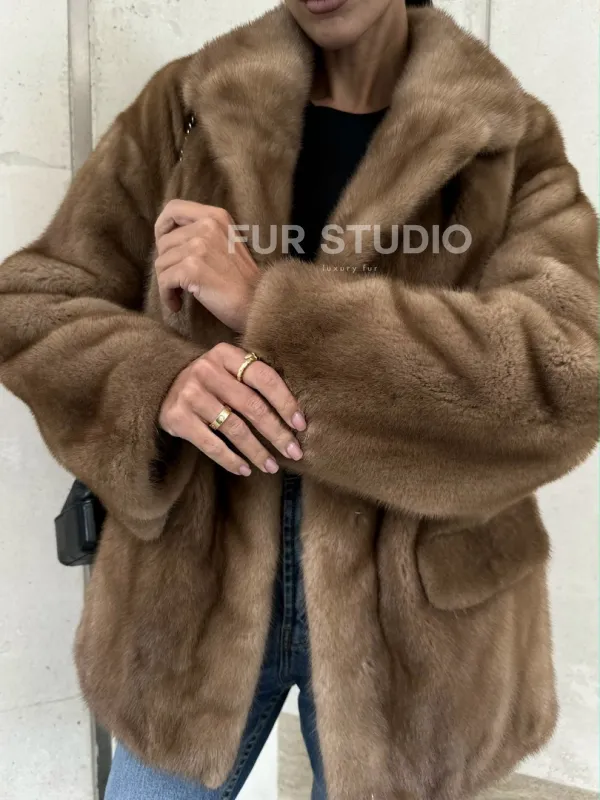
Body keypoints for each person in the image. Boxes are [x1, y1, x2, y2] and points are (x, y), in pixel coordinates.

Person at [0, 0, 597, 797]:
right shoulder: (190, 106)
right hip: (189, 590)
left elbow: (567, 373)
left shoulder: (506, 140)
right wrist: (157, 379)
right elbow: (35, 300)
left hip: (420, 622)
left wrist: (272, 309)